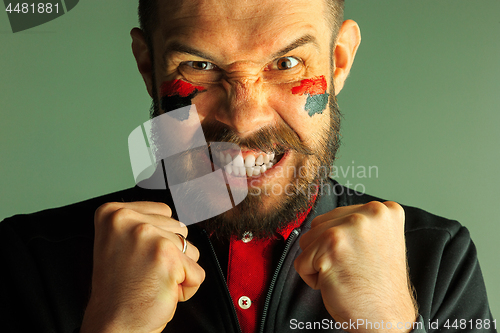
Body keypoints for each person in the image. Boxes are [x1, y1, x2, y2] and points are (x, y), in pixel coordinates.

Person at [0, 0, 495, 332]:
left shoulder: (436, 260)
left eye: (286, 65)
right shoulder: (28, 260)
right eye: (199, 66)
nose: (244, 118)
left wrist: (387, 322)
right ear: (148, 66)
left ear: (339, 60)